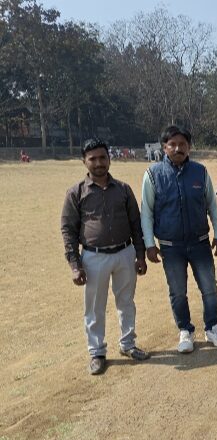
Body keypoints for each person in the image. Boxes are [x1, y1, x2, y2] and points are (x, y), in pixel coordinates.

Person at [60, 138, 150, 375]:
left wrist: (140, 255)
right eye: (93, 159)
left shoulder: (123, 189)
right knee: (94, 307)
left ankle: (128, 344)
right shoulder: (76, 193)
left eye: (102, 157)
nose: (98, 163)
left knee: (126, 302)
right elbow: (68, 230)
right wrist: (75, 265)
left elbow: (135, 224)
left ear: (109, 159)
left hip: (125, 253)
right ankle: (97, 352)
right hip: (93, 257)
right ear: (84, 161)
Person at [140, 125, 217, 353]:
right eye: (172, 144)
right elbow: (146, 212)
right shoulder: (153, 174)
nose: (178, 148)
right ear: (164, 147)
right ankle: (185, 331)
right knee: (178, 292)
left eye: (182, 144)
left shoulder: (200, 172)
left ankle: (213, 328)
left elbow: (212, 206)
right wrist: (149, 245)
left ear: (189, 147)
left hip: (200, 242)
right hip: (170, 247)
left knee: (209, 288)